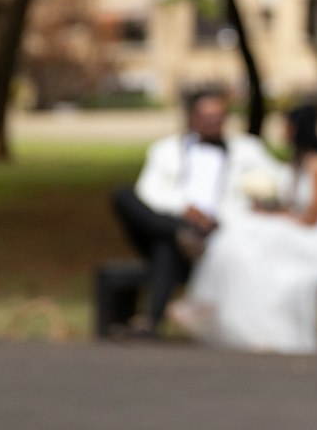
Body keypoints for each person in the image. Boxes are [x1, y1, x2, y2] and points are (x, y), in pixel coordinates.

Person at [171, 104, 317, 354]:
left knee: (252, 240)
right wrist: (269, 211)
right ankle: (222, 312)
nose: (283, 133)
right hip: (300, 228)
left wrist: (278, 217)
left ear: (297, 130)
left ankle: (221, 310)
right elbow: (292, 205)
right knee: (242, 236)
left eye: (286, 127)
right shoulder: (298, 162)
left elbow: (312, 218)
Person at [112, 88, 272, 336]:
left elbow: (276, 179)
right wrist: (185, 210)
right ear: (192, 119)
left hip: (216, 231)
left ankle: (150, 322)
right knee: (124, 196)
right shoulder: (164, 150)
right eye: (207, 117)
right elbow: (148, 191)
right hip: (173, 220)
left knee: (165, 245)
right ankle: (179, 233)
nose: (213, 123)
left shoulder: (247, 150)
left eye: (218, 117)